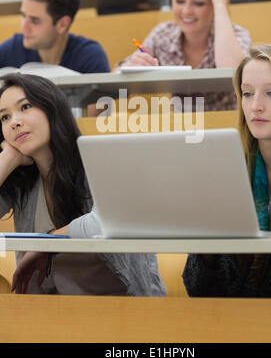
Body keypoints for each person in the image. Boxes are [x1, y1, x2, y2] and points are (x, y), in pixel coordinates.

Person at [0, 73, 166, 296]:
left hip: (124, 307)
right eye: (4, 118)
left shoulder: (100, 160)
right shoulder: (21, 181)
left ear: (53, 109)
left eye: (26, 106)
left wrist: (47, 243)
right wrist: (7, 159)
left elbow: (108, 221)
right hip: (49, 312)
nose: (14, 122)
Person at [183, 43, 271, 297]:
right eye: (247, 93)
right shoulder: (229, 172)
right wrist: (208, 254)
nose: (255, 106)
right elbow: (198, 289)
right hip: (240, 323)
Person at [115, 0, 251, 111]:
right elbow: (115, 75)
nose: (186, 11)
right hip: (183, 129)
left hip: (227, 127)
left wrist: (220, 2)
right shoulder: (163, 34)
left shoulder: (237, 34)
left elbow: (232, 72)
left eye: (199, 3)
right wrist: (131, 66)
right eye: (179, 1)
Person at [0, 0, 110, 73]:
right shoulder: (9, 51)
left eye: (35, 20)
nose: (24, 28)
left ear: (62, 25)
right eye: (24, 16)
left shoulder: (90, 58)